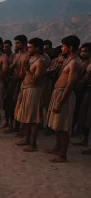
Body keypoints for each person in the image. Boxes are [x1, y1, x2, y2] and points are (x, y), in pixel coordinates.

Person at [45, 35, 82, 163]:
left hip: (64, 96)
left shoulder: (75, 63)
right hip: (58, 93)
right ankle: (57, 147)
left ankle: (63, 155)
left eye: (64, 46)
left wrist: (60, 102)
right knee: (58, 125)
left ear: (70, 47)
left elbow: (70, 85)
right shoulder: (68, 60)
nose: (61, 48)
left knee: (63, 127)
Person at [15, 38, 47, 152]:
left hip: (33, 91)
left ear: (37, 48)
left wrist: (27, 70)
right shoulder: (31, 59)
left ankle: (33, 144)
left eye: (30, 47)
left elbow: (35, 80)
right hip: (25, 89)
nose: (28, 49)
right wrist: (24, 69)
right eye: (27, 47)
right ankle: (26, 139)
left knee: (33, 119)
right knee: (26, 117)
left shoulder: (40, 61)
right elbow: (23, 76)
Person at [3, 35, 30, 136]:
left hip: (21, 83)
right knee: (10, 105)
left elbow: (24, 72)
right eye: (15, 43)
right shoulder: (16, 55)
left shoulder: (27, 55)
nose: (16, 45)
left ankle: (20, 128)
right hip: (13, 82)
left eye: (18, 43)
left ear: (23, 43)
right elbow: (12, 69)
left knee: (20, 105)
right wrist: (11, 68)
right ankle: (12, 125)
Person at [73, 43, 91, 146]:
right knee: (83, 116)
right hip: (84, 92)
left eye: (85, 51)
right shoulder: (83, 63)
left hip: (88, 91)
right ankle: (84, 140)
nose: (82, 53)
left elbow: (84, 79)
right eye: (82, 51)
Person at [2, 40, 15, 129]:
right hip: (4, 82)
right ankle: (6, 122)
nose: (5, 48)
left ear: (11, 46)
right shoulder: (3, 56)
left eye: (7, 46)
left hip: (11, 82)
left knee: (11, 103)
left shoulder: (14, 56)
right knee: (5, 104)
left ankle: (11, 124)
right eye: (4, 47)